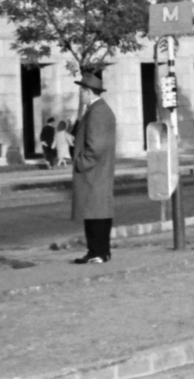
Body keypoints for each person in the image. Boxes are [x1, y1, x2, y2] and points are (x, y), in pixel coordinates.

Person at [71, 70, 117, 264]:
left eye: (81, 91)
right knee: (98, 211)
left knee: (94, 213)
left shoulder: (97, 111)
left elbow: (96, 145)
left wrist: (81, 162)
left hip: (93, 172)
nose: (79, 95)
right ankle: (101, 252)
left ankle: (97, 252)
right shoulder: (100, 109)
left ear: (88, 91)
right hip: (99, 171)